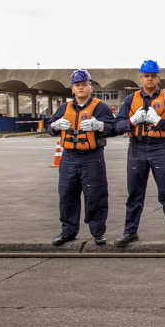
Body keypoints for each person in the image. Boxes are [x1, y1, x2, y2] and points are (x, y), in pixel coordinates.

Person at [113, 60, 165, 247]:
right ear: (141, 78)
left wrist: (159, 122)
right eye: (147, 76)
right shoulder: (130, 100)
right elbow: (117, 126)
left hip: (160, 147)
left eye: (153, 76)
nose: (150, 79)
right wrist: (132, 121)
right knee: (135, 193)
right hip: (137, 147)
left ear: (158, 77)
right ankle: (130, 231)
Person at [46, 69, 116, 246]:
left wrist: (99, 125)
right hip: (69, 157)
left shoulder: (101, 107)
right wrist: (55, 126)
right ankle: (67, 231)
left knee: (95, 195)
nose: (81, 88)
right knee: (67, 195)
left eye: (84, 85)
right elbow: (49, 127)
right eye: (77, 85)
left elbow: (115, 127)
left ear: (90, 87)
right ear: (72, 89)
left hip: (92, 157)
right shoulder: (64, 108)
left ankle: (98, 232)